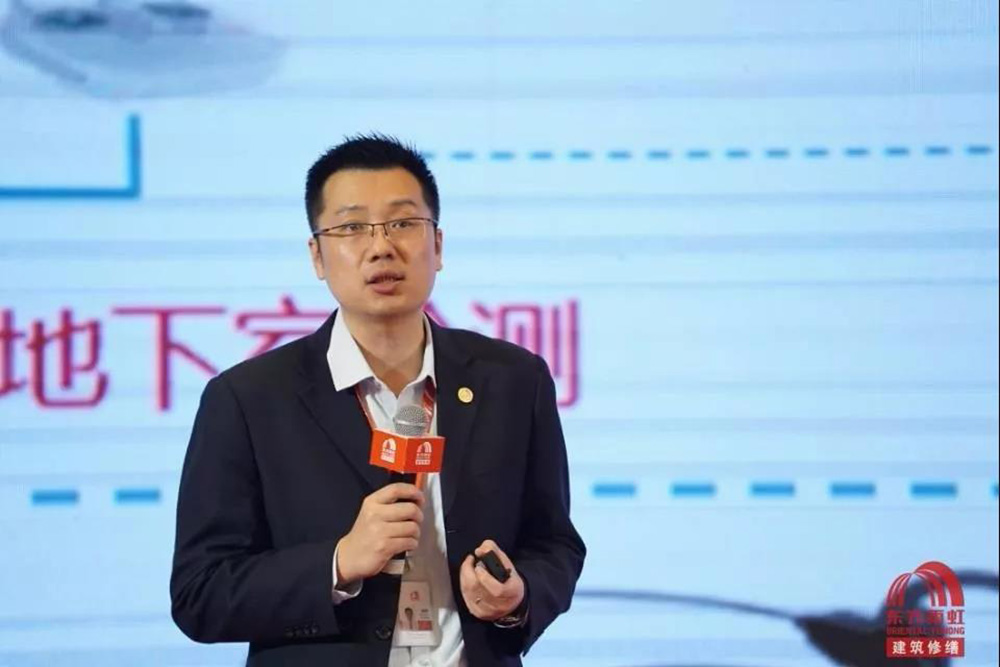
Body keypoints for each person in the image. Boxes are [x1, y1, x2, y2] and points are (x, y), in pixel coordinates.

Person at [169, 134, 586, 666]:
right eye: (351, 227)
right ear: (317, 256)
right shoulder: (249, 399)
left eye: (403, 223)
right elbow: (200, 593)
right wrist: (339, 562)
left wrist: (518, 597)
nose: (382, 246)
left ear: (438, 245)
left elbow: (554, 545)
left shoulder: (513, 380)